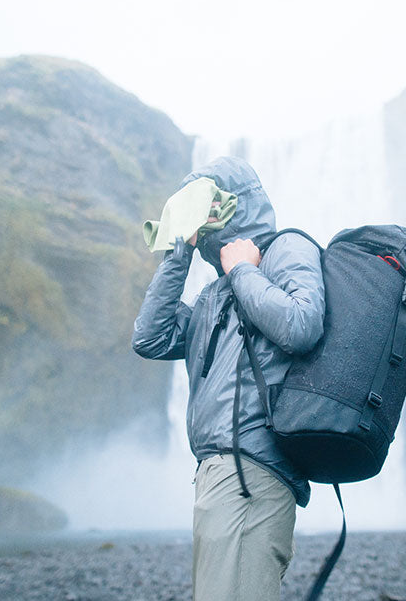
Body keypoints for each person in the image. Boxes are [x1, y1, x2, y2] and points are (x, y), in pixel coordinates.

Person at [133, 156, 325, 601]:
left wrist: (243, 269)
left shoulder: (286, 250)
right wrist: (178, 252)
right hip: (219, 474)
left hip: (250, 474)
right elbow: (151, 338)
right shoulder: (214, 295)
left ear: (234, 205)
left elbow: (301, 324)